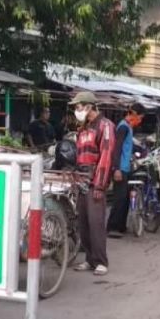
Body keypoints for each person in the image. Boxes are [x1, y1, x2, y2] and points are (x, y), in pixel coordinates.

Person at [70, 91, 115, 276]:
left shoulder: (105, 126)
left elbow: (106, 156)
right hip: (81, 179)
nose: (76, 110)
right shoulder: (83, 128)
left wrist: (100, 185)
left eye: (78, 106)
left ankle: (101, 261)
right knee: (83, 222)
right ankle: (89, 259)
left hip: (95, 180)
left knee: (96, 222)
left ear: (89, 107)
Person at [107, 103, 146, 238]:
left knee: (125, 199)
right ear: (133, 113)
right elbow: (116, 149)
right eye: (139, 117)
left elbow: (129, 147)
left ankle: (121, 226)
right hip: (121, 168)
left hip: (126, 167)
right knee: (119, 198)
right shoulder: (123, 127)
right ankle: (112, 227)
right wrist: (116, 169)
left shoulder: (128, 127)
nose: (140, 120)